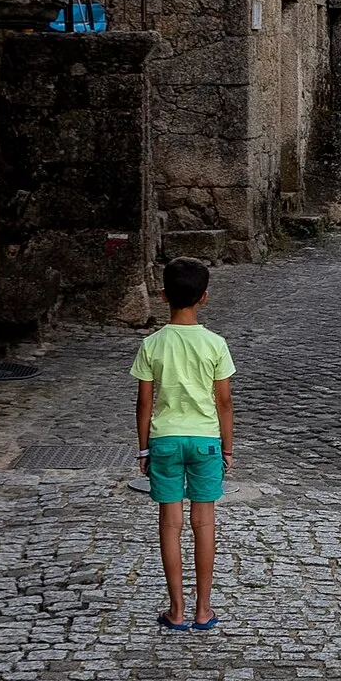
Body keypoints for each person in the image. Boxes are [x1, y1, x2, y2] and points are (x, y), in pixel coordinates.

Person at [130, 258, 235, 633]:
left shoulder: (152, 345)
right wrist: (227, 447)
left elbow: (144, 402)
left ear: (163, 296)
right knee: (204, 522)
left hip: (165, 441)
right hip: (206, 440)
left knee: (170, 524)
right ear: (204, 298)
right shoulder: (215, 344)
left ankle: (176, 610)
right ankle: (203, 610)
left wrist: (143, 449)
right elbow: (223, 401)